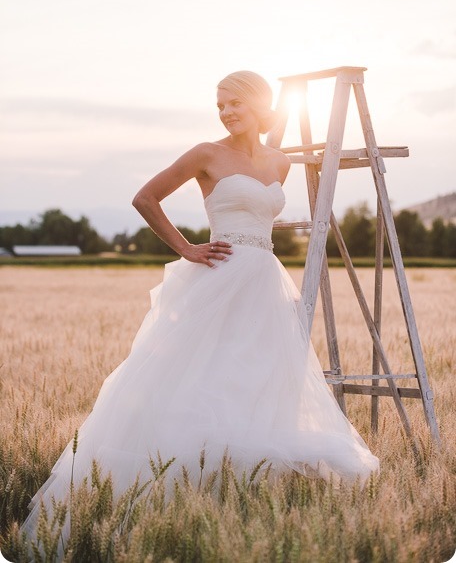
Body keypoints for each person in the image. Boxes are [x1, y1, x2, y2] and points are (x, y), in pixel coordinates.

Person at [21, 70, 378, 554]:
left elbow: (265, 214)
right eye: (220, 105)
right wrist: (187, 247)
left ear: (259, 105)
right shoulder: (206, 154)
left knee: (255, 380)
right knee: (193, 380)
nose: (227, 113)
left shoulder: (279, 162)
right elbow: (145, 198)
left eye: (235, 104)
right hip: (219, 277)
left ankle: (240, 497)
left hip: (264, 284)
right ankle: (168, 493)